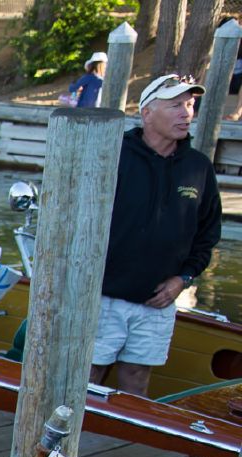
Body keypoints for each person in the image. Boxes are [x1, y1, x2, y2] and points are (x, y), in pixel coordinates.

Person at [92, 74, 222, 397]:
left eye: (190, 105)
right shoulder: (112, 154)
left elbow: (207, 234)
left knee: (137, 378)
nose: (186, 113)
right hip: (100, 296)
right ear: (147, 112)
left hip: (158, 301)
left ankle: (126, 433)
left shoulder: (199, 167)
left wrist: (184, 278)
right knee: (88, 374)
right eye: (176, 105)